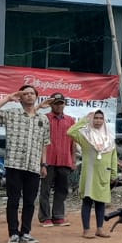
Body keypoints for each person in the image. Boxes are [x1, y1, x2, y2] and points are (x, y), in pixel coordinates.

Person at [0, 85, 50, 243]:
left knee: (30, 201)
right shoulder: (12, 114)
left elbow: (45, 143)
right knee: (13, 200)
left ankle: (26, 232)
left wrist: (43, 164)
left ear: (36, 97)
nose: (29, 96)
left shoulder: (42, 119)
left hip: (33, 165)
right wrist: (8, 98)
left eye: (32, 93)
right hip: (14, 164)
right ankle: (13, 234)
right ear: (20, 98)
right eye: (25, 94)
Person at [69, 109, 116, 238]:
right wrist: (84, 119)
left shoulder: (109, 137)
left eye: (101, 118)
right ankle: (86, 230)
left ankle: (100, 229)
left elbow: (113, 157)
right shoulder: (85, 136)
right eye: (95, 118)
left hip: (103, 174)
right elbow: (70, 131)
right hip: (89, 174)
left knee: (101, 202)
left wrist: (113, 173)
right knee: (88, 201)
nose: (98, 121)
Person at [39, 94, 78, 228]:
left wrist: (73, 159)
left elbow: (73, 142)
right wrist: (40, 162)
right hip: (47, 160)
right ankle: (45, 217)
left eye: (61, 103)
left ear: (64, 104)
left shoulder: (70, 121)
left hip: (64, 159)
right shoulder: (44, 119)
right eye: (56, 103)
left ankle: (58, 216)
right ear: (51, 104)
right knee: (45, 190)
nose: (59, 106)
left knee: (62, 190)